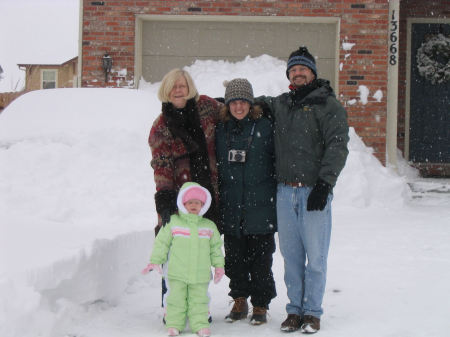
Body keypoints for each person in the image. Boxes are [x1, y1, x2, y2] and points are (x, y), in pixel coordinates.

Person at [258, 46, 349, 334]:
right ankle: (294, 310)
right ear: (289, 75)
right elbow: (254, 104)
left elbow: (337, 145)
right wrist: (230, 99)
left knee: (316, 257)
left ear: (312, 73)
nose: (298, 73)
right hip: (285, 192)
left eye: (303, 69)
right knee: (291, 256)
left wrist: (325, 184)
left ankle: (312, 312)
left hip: (314, 191)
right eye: (293, 70)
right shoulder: (282, 103)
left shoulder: (328, 105)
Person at [148, 68, 223, 307]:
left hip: (209, 193)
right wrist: (166, 200)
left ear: (189, 87)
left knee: (202, 248)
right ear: (165, 91)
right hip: (179, 197)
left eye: (182, 85)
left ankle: (198, 304)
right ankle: (171, 305)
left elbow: (231, 111)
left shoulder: (206, 108)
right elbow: (161, 165)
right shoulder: (161, 126)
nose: (178, 90)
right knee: (173, 247)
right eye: (173, 86)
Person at [215, 78, 277, 325]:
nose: (238, 107)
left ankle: (260, 304)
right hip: (231, 207)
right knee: (234, 259)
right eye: (233, 102)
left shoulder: (266, 126)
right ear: (227, 104)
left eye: (243, 102)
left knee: (261, 260)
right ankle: (239, 298)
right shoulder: (221, 129)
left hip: (260, 207)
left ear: (251, 104)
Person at [142, 182, 225, 337]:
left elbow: (215, 249)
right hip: (177, 273)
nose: (194, 205)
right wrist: (155, 260)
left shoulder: (209, 226)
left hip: (200, 274)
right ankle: (174, 325)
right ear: (183, 203)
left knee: (199, 301)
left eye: (198, 203)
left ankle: (200, 325)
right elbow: (162, 243)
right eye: (190, 202)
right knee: (176, 300)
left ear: (203, 205)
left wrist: (219, 266)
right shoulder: (173, 223)